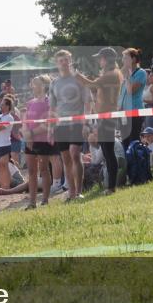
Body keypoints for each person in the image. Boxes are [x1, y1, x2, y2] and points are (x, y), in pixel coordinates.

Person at [75, 48, 124, 194]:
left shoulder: (111, 74)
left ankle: (112, 187)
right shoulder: (111, 73)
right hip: (104, 116)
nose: (99, 61)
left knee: (108, 152)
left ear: (106, 59)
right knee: (107, 151)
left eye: (101, 58)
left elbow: (91, 85)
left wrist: (76, 75)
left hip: (107, 117)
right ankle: (111, 185)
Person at [49, 50, 87, 202]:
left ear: (70, 60)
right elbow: (52, 108)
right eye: (61, 61)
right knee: (66, 159)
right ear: (57, 63)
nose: (64, 63)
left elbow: (87, 103)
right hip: (60, 124)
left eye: (66, 60)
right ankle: (71, 192)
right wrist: (51, 129)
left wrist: (86, 123)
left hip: (77, 122)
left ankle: (79, 191)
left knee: (75, 154)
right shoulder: (54, 83)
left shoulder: (78, 79)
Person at [22, 74, 56, 207]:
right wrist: (27, 134)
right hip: (30, 140)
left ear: (44, 86)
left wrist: (31, 133)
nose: (32, 86)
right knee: (31, 171)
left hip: (43, 140)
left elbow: (48, 123)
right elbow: (26, 121)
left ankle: (45, 199)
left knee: (43, 169)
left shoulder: (49, 102)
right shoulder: (30, 102)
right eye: (32, 83)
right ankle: (32, 202)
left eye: (35, 83)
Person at [119, 48, 147, 150]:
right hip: (123, 112)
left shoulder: (141, 73)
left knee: (133, 140)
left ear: (134, 59)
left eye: (125, 58)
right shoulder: (123, 74)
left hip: (135, 110)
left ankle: (137, 164)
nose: (123, 61)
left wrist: (127, 76)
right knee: (125, 141)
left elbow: (131, 91)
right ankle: (129, 165)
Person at [0, 96, 16, 190]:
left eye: (2, 104)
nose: (0, 106)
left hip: (4, 145)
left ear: (8, 106)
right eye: (0, 104)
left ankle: (6, 186)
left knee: (4, 166)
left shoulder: (9, 118)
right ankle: (4, 184)